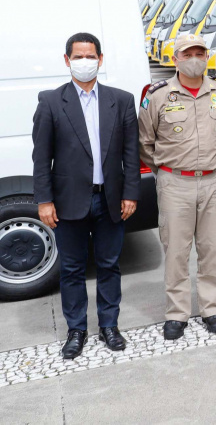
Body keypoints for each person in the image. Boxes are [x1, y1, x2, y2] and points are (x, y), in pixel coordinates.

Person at [31, 32, 140, 359]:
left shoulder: (120, 100)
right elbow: (41, 157)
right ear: (67, 61)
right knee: (73, 269)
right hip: (68, 202)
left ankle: (109, 325)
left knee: (109, 265)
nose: (84, 62)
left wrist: (131, 192)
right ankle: (76, 329)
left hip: (110, 200)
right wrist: (44, 200)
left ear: (100, 59)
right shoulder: (51, 102)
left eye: (89, 56)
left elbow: (131, 154)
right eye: (77, 57)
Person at [138, 34, 216, 340]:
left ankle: (212, 308)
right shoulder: (159, 95)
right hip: (174, 182)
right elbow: (144, 142)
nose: (195, 58)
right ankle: (176, 313)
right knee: (177, 251)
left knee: (212, 249)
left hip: (214, 181)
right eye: (187, 53)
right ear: (176, 58)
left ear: (207, 57)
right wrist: (166, 171)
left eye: (200, 53)